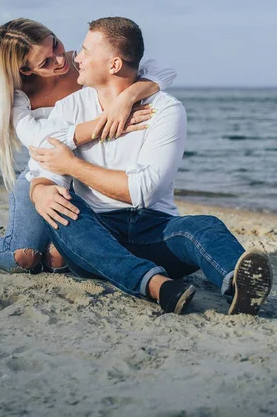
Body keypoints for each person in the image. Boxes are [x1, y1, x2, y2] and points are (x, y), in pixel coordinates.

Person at [27, 17, 273, 315]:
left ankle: (238, 285)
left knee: (204, 226)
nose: (76, 58)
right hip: (94, 234)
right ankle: (157, 285)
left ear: (114, 65)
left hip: (155, 229)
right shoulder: (69, 108)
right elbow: (50, 172)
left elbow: (143, 191)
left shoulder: (166, 110)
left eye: (85, 51)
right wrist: (40, 189)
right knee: (63, 215)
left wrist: (73, 165)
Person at [0, 18, 177, 273]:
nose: (60, 60)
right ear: (27, 70)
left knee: (58, 260)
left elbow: (164, 71)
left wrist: (126, 99)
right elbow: (42, 141)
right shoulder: (18, 95)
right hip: (45, 174)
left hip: (81, 175)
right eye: (45, 62)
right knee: (25, 259)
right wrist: (104, 123)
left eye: (55, 45)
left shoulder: (84, 63)